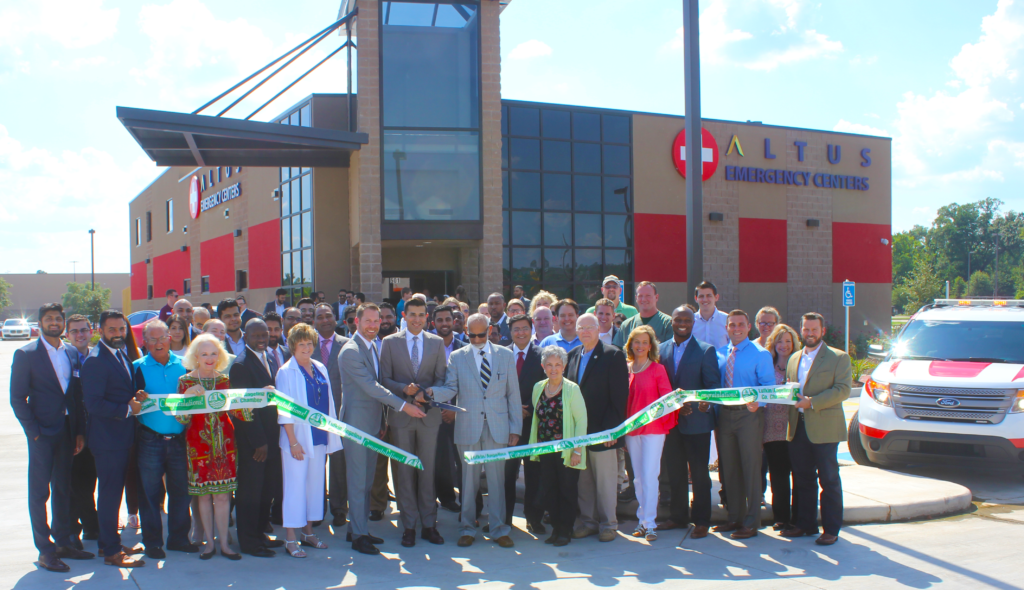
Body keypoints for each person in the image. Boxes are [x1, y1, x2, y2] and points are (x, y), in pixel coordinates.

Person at [427, 313, 522, 549]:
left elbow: (513, 394)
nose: (477, 339)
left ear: (490, 331)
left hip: (498, 428)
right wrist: (429, 393)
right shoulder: (458, 357)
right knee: (468, 483)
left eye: (481, 334)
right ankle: (467, 528)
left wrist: (515, 427)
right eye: (472, 335)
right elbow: (450, 388)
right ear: (466, 332)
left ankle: (500, 529)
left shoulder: (505, 355)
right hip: (468, 427)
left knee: (497, 481)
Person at [11, 303, 93, 572]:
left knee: (62, 489)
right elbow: (17, 398)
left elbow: (75, 395)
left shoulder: (70, 351)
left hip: (68, 432)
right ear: (40, 323)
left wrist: (79, 431)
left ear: (63, 322)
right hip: (42, 434)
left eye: (58, 318)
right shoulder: (26, 354)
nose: (54, 322)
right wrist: (33, 432)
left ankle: (64, 543)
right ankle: (45, 550)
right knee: (39, 493)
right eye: (49, 319)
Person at [339, 303, 427, 556]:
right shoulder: (351, 351)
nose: (373, 325)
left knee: (366, 481)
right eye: (368, 321)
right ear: (356, 322)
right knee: (358, 482)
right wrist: (404, 407)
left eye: (376, 321)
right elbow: (371, 387)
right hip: (356, 425)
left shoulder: (374, 346)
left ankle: (358, 528)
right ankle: (357, 535)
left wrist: (383, 421)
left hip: (373, 424)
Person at [380, 297, 448, 547]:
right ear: (404, 317)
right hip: (401, 417)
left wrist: (426, 394)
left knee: (427, 472)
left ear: (426, 318)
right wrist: (404, 389)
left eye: (421, 315)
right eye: (413, 315)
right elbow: (384, 379)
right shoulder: (389, 343)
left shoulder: (436, 343)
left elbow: (442, 379)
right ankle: (408, 525)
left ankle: (429, 525)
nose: (417, 319)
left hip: (428, 417)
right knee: (405, 473)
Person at [177, 334, 251, 560]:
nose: (209, 358)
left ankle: (225, 544)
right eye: (204, 354)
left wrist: (258, 397)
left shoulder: (225, 381)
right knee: (204, 497)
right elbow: (181, 419)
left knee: (222, 497)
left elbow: (241, 414)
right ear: (195, 356)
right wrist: (187, 397)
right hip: (198, 447)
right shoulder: (185, 381)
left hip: (225, 447)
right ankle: (209, 543)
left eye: (213, 353)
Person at [81, 310, 146, 567]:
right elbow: (94, 404)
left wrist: (136, 395)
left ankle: (109, 543)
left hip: (121, 437)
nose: (118, 334)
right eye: (112, 330)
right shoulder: (95, 361)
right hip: (107, 441)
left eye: (122, 329)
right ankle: (111, 552)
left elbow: (120, 391)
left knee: (113, 494)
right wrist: (128, 408)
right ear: (101, 331)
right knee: (109, 496)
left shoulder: (120, 355)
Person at [781, 313, 852, 546]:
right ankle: (805, 524)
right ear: (801, 330)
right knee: (802, 479)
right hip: (798, 426)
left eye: (814, 329)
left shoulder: (838, 357)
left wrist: (811, 401)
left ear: (823, 330)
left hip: (824, 427)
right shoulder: (793, 359)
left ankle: (831, 529)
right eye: (806, 329)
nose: (810, 333)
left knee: (829, 479)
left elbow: (842, 390)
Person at [133, 320, 201, 559]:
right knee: (150, 494)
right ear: (145, 343)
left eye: (162, 337)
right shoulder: (137, 368)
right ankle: (152, 542)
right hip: (149, 439)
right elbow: (130, 402)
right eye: (152, 339)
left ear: (170, 338)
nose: (158, 343)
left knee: (181, 491)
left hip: (180, 439)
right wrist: (137, 397)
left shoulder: (184, 366)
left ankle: (179, 539)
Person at [276, 323, 344, 558]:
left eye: (309, 343)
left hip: (319, 437)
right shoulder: (286, 371)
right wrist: (293, 442)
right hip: (297, 440)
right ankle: (291, 538)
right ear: (293, 346)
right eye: (301, 344)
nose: (306, 348)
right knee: (295, 488)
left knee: (314, 487)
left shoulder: (320, 367)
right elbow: (284, 409)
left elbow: (329, 403)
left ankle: (307, 532)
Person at [657, 306, 721, 539]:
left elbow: (713, 387)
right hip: (671, 423)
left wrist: (704, 402)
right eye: (678, 319)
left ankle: (702, 520)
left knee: (700, 474)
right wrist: (673, 405)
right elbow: (659, 386)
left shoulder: (705, 351)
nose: (682, 323)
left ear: (693, 322)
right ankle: (678, 517)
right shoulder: (661, 350)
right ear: (671, 322)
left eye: (687, 319)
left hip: (697, 423)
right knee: (674, 473)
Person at [565, 313, 629, 543]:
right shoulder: (572, 356)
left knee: (605, 481)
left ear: (598, 329)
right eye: (580, 327)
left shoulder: (613, 355)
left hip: (603, 431)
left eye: (589, 327)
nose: (585, 332)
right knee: (584, 481)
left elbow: (620, 397)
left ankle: (608, 524)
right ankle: (589, 523)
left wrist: (612, 431)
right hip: (579, 433)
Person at [712, 310, 774, 540]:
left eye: (740, 324)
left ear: (749, 327)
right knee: (729, 468)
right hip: (724, 416)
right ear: (726, 328)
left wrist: (759, 402)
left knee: (750, 467)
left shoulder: (761, 354)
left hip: (749, 416)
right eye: (731, 325)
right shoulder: (719, 354)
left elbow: (769, 387)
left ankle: (751, 521)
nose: (736, 328)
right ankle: (734, 518)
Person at [228, 319, 285, 558]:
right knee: (250, 492)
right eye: (256, 336)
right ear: (246, 337)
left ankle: (261, 533)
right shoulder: (240, 365)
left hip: (273, 438)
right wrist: (258, 441)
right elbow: (242, 410)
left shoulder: (271, 358)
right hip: (255, 442)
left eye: (266, 334)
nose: (262, 339)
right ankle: (249, 542)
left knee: (266, 489)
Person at [530, 346, 587, 546]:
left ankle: (566, 530)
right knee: (550, 491)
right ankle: (555, 529)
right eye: (549, 365)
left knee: (567, 491)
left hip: (568, 452)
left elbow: (581, 421)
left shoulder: (572, 389)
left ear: (564, 366)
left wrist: (577, 450)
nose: (553, 369)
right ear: (543, 366)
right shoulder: (538, 387)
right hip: (545, 450)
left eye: (558, 365)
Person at [623, 325, 675, 542]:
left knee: (650, 476)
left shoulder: (657, 369)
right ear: (631, 344)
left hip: (653, 430)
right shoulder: (625, 368)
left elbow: (668, 401)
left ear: (651, 345)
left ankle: (650, 524)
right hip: (631, 431)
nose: (641, 346)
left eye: (645, 342)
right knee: (637, 478)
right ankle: (642, 520)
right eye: (637, 342)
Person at [504, 313, 546, 533]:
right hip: (507, 425)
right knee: (506, 474)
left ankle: (534, 518)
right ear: (510, 333)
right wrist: (511, 410)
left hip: (533, 424)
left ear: (532, 330)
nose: (520, 333)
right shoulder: (501, 355)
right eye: (516, 329)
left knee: (534, 474)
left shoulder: (542, 355)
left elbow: (547, 387)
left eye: (524, 328)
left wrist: (528, 409)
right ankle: (504, 518)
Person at [309, 303, 350, 527]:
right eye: (319, 317)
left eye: (328, 316)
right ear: (313, 321)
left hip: (340, 415)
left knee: (338, 466)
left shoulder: (348, 345)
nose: (324, 319)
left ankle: (339, 509)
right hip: (312, 417)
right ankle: (316, 510)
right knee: (316, 466)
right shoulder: (306, 346)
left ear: (335, 319)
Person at [64, 314, 99, 549]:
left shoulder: (99, 355)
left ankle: (92, 526)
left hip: (100, 430)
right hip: (73, 431)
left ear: (91, 331)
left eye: (84, 330)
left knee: (92, 481)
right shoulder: (64, 357)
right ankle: (79, 528)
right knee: (75, 484)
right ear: (67, 334)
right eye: (75, 331)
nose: (80, 335)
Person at [431, 305, 470, 513]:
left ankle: (468, 501)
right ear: (433, 323)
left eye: (448, 319)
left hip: (460, 412)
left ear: (454, 322)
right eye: (440, 320)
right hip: (434, 412)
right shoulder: (429, 347)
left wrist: (455, 408)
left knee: (462, 459)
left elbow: (470, 382)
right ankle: (446, 498)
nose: (444, 323)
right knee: (440, 459)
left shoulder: (465, 347)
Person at [764, 323, 801, 532]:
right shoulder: (766, 364)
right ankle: (780, 518)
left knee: (798, 473)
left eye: (788, 341)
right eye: (780, 340)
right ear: (773, 343)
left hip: (794, 427)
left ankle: (797, 518)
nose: (784, 345)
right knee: (778, 475)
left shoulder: (800, 365)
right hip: (771, 427)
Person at [613, 282, 671, 348]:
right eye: (640, 296)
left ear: (656, 297)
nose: (644, 299)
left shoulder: (668, 323)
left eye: (648, 296)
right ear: (636, 298)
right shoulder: (626, 325)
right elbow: (617, 351)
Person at [693, 281, 729, 350]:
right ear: (696, 299)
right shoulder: (690, 321)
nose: (705, 299)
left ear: (716, 297)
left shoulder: (727, 320)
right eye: (701, 296)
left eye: (709, 296)